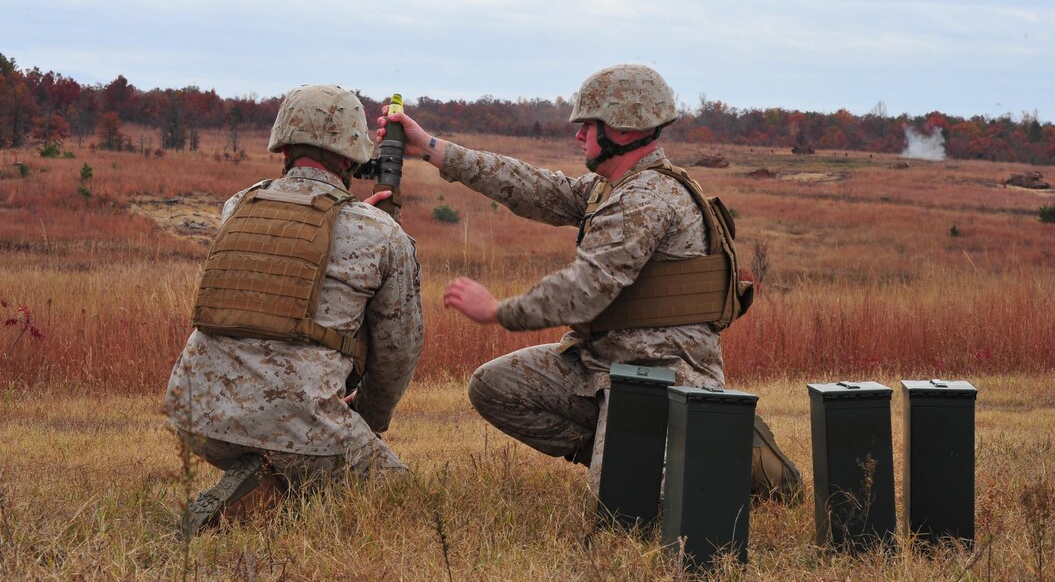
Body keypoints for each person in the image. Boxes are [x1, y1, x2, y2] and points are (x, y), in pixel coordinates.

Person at [378, 64, 800, 501]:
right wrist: (430, 147)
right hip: (604, 367)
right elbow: (534, 188)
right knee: (494, 386)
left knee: (625, 516)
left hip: (661, 377)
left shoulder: (644, 199)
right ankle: (620, 449)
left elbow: (584, 290)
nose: (578, 135)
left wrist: (499, 310)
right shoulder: (614, 187)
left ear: (620, 130)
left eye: (587, 126)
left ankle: (710, 455)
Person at [164, 84, 424, 536]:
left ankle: (258, 477)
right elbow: (398, 352)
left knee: (295, 460)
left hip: (196, 415)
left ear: (283, 144)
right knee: (402, 502)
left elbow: (293, 252)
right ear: (350, 155)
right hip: (301, 427)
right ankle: (276, 477)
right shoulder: (382, 236)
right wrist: (367, 420)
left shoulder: (237, 206)